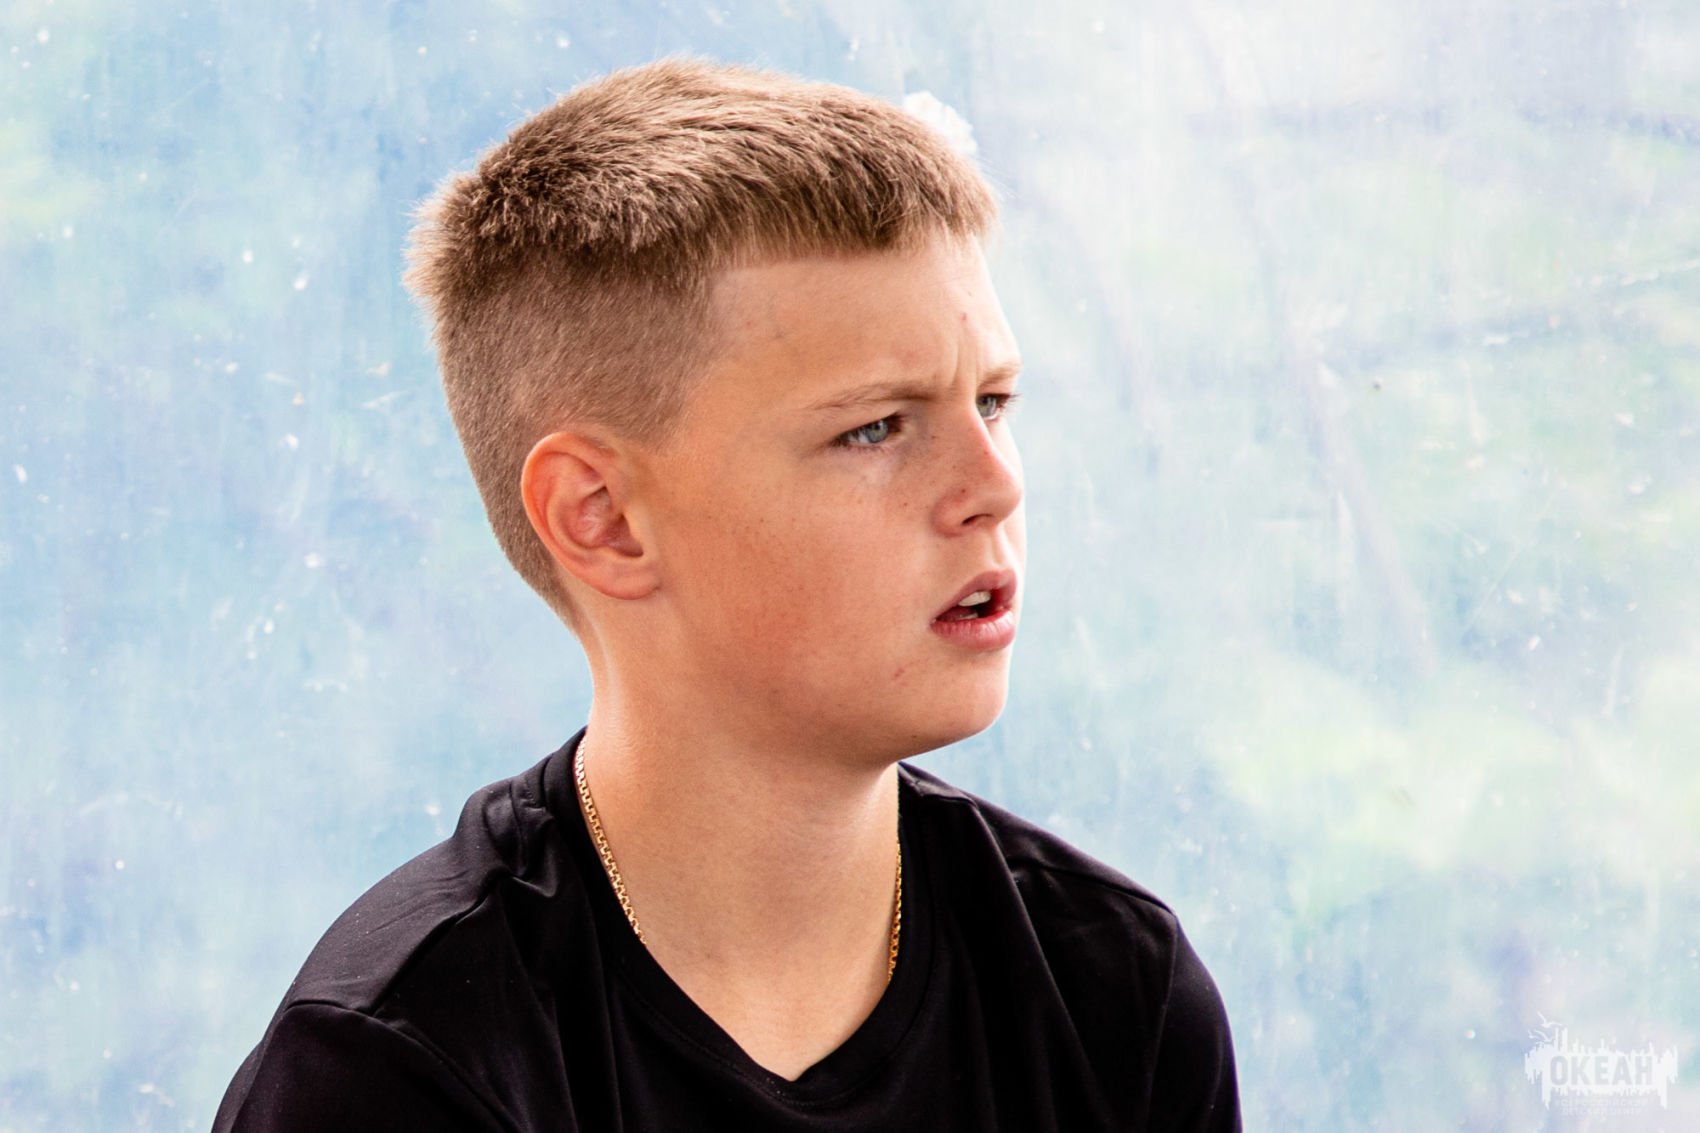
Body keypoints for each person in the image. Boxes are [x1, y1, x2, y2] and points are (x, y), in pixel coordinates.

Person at [213, 58, 1241, 1131]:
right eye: (875, 428)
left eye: (992, 402)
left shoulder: (1114, 992)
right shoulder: (399, 1072)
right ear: (603, 517)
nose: (994, 485)